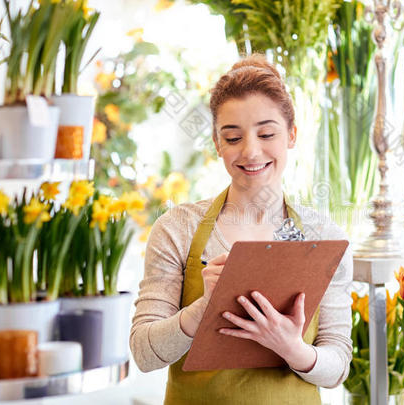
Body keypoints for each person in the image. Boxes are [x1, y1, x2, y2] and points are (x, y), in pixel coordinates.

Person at [130, 54, 353, 405]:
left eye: (266, 133)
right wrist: (203, 308)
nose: (251, 151)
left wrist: (293, 349)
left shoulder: (321, 235)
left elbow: (338, 364)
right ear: (218, 144)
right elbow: (144, 353)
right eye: (233, 138)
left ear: (291, 135)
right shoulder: (178, 229)